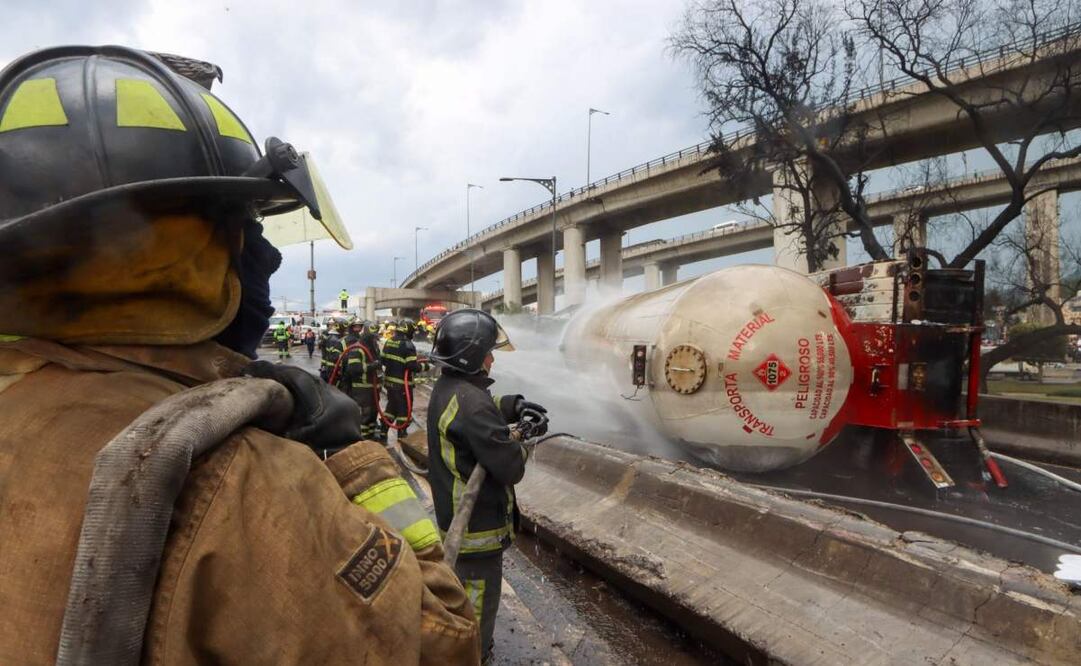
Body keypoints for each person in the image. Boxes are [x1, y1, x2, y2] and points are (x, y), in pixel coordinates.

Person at [0, 46, 478, 664]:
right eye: (246, 224)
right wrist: (350, 462)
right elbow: (445, 638)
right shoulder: (246, 482)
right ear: (174, 252)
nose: (266, 255)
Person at [426, 309, 547, 662]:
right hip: (477, 528)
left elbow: (483, 409)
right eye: (489, 352)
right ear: (474, 356)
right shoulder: (472, 404)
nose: (493, 358)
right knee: (478, 602)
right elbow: (510, 466)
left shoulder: (451, 388)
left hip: (458, 518)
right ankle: (473, 654)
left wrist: (514, 405)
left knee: (462, 592)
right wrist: (525, 436)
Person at [338, 318, 381, 442]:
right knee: (365, 415)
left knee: (373, 413)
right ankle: (362, 438)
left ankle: (371, 435)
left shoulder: (374, 347)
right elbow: (354, 369)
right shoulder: (358, 349)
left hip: (373, 388)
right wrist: (373, 366)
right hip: (362, 389)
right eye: (372, 337)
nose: (374, 339)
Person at [382, 318, 422, 436]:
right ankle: (402, 432)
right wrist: (425, 366)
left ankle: (383, 430)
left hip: (389, 383)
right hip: (402, 385)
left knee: (392, 407)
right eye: (412, 331)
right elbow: (412, 366)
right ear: (407, 330)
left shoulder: (389, 341)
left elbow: (383, 360)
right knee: (404, 409)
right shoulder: (408, 344)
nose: (413, 334)